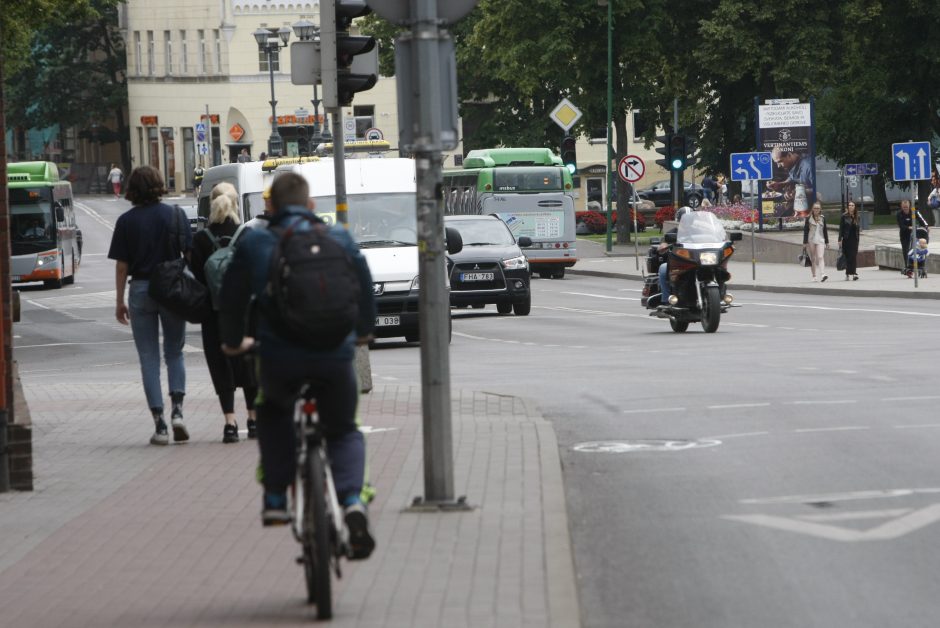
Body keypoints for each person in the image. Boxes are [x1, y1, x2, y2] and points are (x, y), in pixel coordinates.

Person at [219, 172, 377, 558]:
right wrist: (362, 333)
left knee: (273, 414)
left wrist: (233, 341)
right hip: (335, 357)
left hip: (280, 358)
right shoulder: (338, 237)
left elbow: (232, 297)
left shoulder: (255, 241)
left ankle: (275, 497)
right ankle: (352, 500)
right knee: (342, 430)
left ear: (269, 207)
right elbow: (364, 286)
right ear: (310, 206)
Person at [107, 166, 190, 445]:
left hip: (141, 289)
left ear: (132, 188)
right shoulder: (176, 216)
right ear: (158, 184)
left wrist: (119, 301)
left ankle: (160, 424)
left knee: (149, 357)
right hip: (171, 289)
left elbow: (122, 266)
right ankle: (178, 411)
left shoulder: (126, 221)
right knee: (175, 352)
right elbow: (188, 255)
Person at [189, 182, 259, 443]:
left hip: (213, 314)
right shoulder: (247, 236)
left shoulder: (200, 240)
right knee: (249, 363)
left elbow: (196, 277)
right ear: (235, 204)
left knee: (221, 367)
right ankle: (253, 420)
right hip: (246, 313)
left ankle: (230, 423)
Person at [657, 206, 694, 304]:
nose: (687, 223)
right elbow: (663, 243)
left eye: (689, 220)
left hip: (696, 261)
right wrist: (663, 246)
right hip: (678, 263)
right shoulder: (673, 233)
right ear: (679, 221)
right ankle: (666, 300)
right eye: (684, 220)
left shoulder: (698, 232)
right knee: (663, 269)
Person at [767, 147, 815, 218]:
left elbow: (819, 189)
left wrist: (800, 192)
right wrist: (781, 184)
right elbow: (792, 177)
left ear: (789, 155)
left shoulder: (808, 166)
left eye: (780, 161)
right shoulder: (795, 163)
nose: (778, 166)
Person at [897, 199, 929, 273]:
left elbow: (922, 219)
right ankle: (908, 266)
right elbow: (901, 225)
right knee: (906, 250)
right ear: (901, 206)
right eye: (904, 207)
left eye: (907, 207)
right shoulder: (899, 214)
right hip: (904, 234)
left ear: (909, 206)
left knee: (917, 249)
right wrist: (909, 227)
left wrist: (926, 226)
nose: (905, 208)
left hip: (915, 234)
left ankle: (920, 264)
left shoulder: (914, 211)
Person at [802, 201, 829, 282]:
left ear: (820, 209)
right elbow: (806, 231)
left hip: (820, 239)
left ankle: (823, 274)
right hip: (811, 240)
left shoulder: (822, 218)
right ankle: (814, 276)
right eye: (815, 208)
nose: (816, 209)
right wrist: (804, 242)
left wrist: (827, 242)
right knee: (813, 258)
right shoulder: (808, 218)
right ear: (812, 209)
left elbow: (825, 230)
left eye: (818, 208)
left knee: (820, 257)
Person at [838, 201, 861, 281]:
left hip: (854, 239)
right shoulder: (844, 216)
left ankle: (854, 274)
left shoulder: (857, 216)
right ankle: (847, 274)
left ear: (855, 207)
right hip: (847, 239)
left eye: (852, 205)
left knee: (853, 256)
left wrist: (858, 239)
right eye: (850, 205)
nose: (851, 206)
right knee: (848, 257)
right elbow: (841, 229)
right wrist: (839, 239)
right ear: (848, 207)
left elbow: (858, 230)